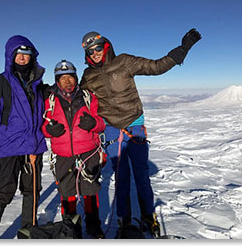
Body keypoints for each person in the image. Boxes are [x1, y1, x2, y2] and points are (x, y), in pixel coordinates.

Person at [80, 28, 202, 236]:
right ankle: (123, 220)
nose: (95, 53)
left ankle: (148, 216)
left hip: (134, 125)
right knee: (121, 177)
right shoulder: (88, 75)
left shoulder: (124, 61)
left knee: (141, 175)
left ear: (105, 46)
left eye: (98, 48)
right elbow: (79, 100)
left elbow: (155, 67)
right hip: (111, 129)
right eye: (91, 51)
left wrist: (182, 50)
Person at [0, 36, 48, 239]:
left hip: (33, 149)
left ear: (32, 56)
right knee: (1, 193)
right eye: (19, 54)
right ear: (10, 56)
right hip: (7, 148)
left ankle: (27, 235)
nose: (23, 58)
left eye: (27, 54)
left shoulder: (38, 84)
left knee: (32, 192)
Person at [42, 60, 106, 239]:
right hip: (62, 154)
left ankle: (93, 226)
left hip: (88, 151)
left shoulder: (88, 97)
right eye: (62, 78)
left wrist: (94, 124)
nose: (67, 81)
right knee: (66, 191)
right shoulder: (50, 100)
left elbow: (102, 123)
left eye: (70, 77)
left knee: (90, 190)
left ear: (76, 77)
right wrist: (49, 130)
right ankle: (71, 228)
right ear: (56, 81)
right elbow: (43, 126)